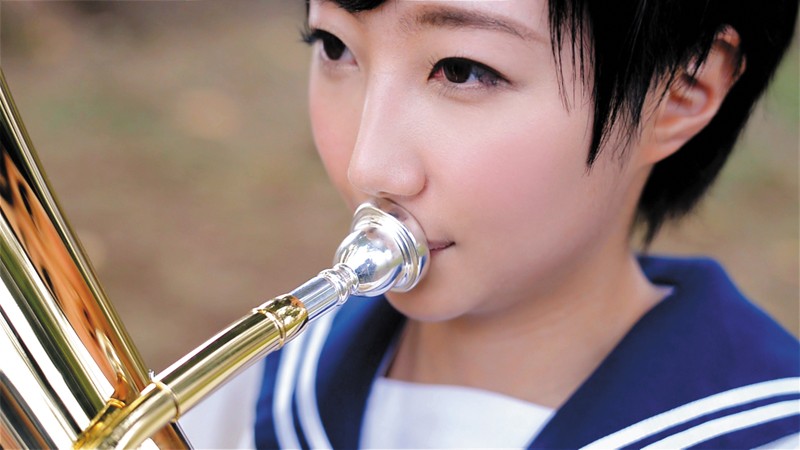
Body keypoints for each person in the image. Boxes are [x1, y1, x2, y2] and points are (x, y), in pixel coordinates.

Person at [181, 0, 799, 448]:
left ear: (678, 93)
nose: (369, 166)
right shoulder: (249, 394)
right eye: (335, 47)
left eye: (462, 69)